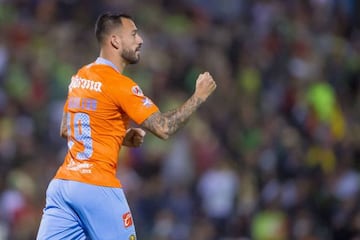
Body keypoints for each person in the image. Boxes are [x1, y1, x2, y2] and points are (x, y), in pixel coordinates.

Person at [36, 12, 216, 240]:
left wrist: (117, 135)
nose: (140, 40)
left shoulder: (81, 76)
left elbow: (67, 128)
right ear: (115, 41)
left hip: (63, 186)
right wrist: (198, 96)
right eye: (133, 34)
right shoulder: (120, 85)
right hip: (97, 188)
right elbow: (164, 127)